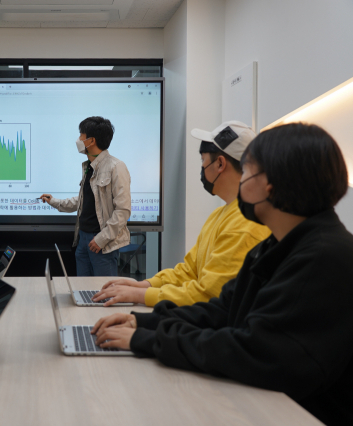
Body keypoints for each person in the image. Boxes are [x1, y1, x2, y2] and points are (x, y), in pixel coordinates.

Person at [91, 123, 353, 425]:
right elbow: (224, 309)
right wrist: (143, 321)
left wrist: (148, 340)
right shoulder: (279, 245)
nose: (242, 182)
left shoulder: (323, 258)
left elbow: (252, 351)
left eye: (248, 172)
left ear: (271, 184)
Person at [93, 121, 270, 307]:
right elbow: (189, 271)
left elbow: (208, 295)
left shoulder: (245, 224)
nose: (201, 168)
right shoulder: (219, 215)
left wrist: (140, 295)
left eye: (203, 160)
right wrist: (144, 285)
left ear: (220, 163)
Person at [40, 116, 131, 276]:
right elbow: (83, 201)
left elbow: (123, 211)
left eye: (81, 135)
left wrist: (101, 239)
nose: (78, 139)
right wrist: (53, 201)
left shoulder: (116, 167)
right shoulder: (89, 166)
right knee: (83, 291)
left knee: (104, 294)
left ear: (91, 141)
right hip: (83, 240)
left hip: (102, 243)